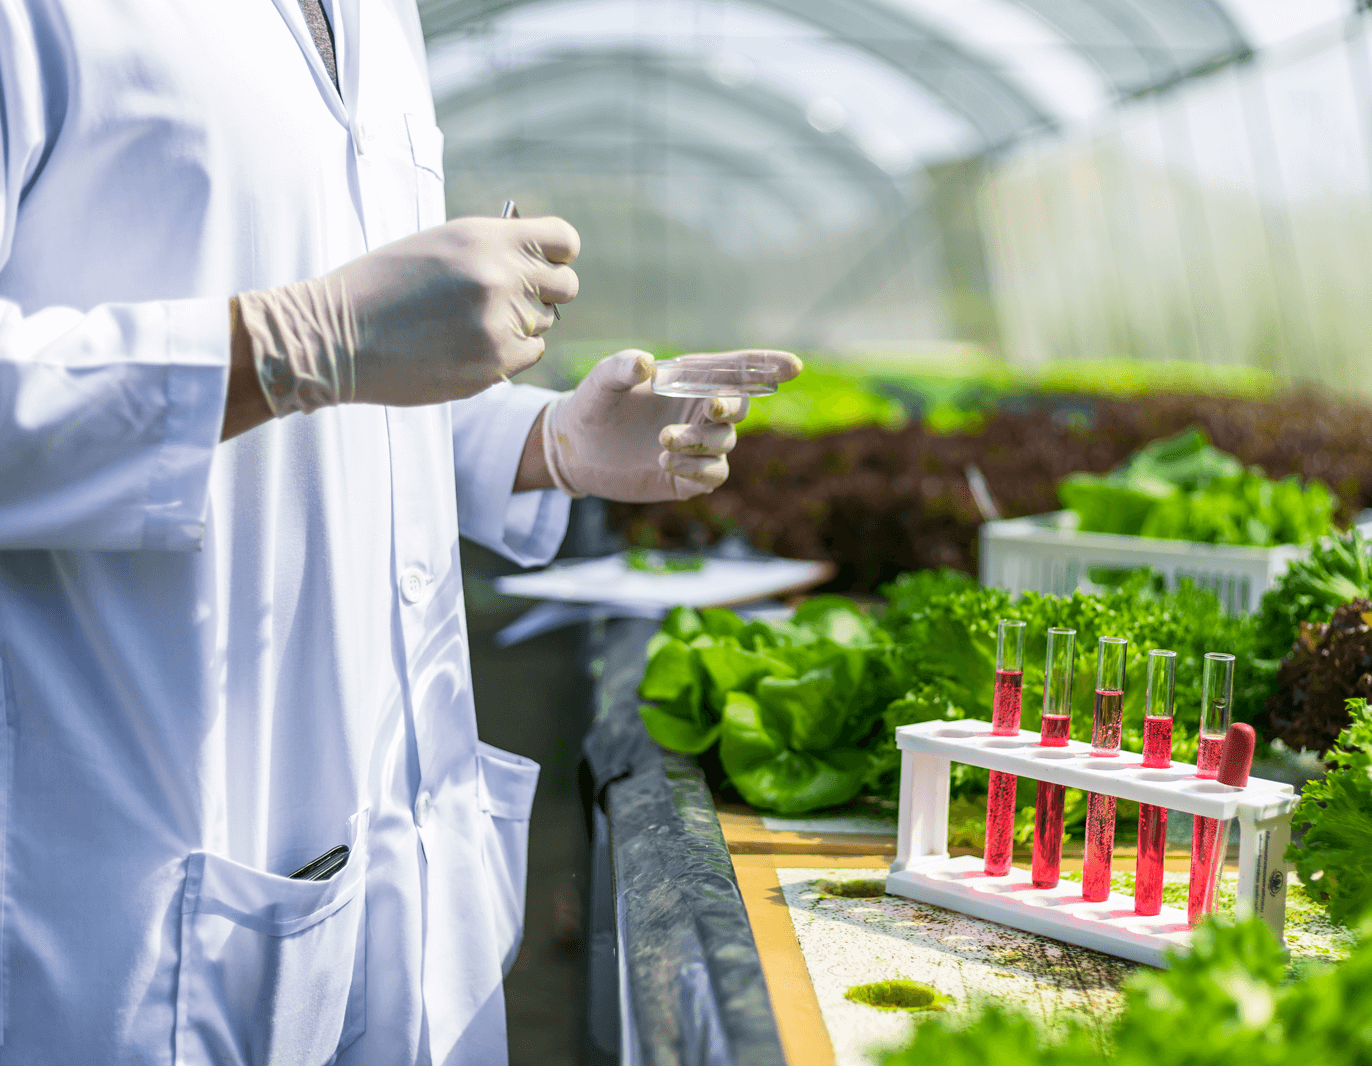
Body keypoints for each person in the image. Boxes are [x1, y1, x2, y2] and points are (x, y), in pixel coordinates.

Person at [0, 2, 797, 1062]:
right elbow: (320, 340)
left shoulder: (381, 18)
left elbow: (353, 376)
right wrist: (296, 340)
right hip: (129, 899)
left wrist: (545, 441)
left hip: (397, 886)